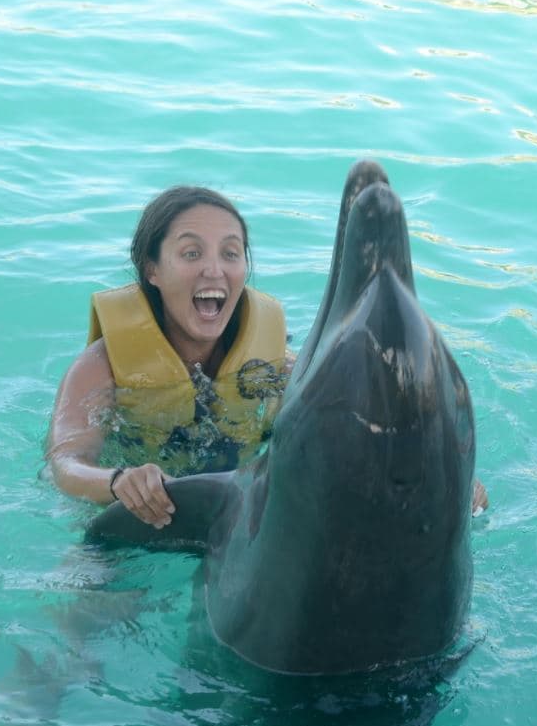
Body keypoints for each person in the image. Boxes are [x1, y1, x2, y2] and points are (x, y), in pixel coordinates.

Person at [46, 185, 490, 528]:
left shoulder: (272, 361)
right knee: (85, 600)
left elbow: (361, 419)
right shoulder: (100, 367)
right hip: (138, 518)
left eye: (231, 253)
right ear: (152, 269)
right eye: (191, 253)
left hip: (238, 516)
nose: (214, 269)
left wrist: (440, 479)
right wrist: (120, 481)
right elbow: (66, 463)